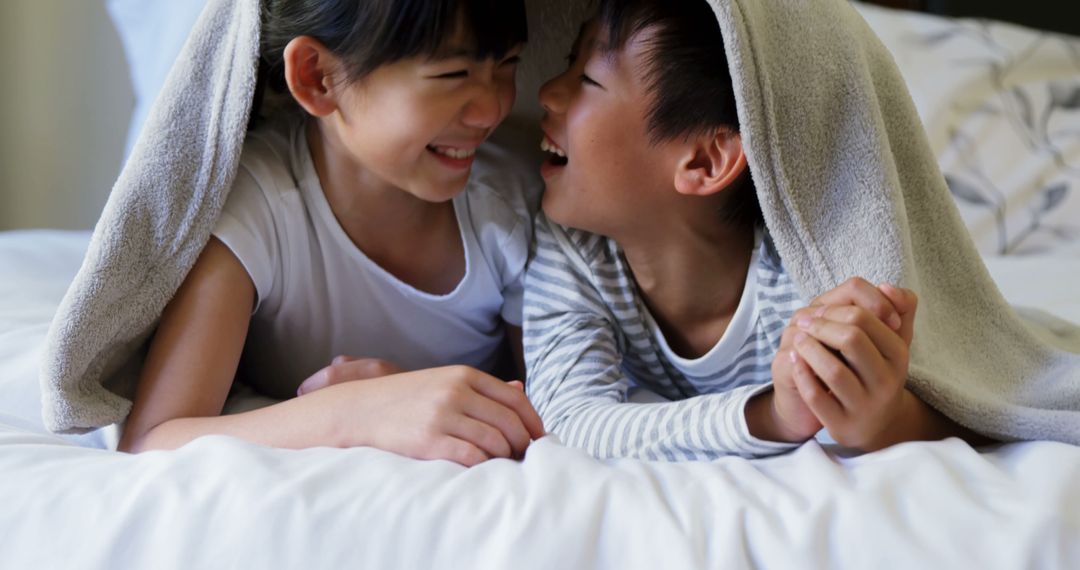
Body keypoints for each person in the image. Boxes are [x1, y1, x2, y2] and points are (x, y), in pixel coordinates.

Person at [524, 0, 988, 461]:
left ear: (706, 160)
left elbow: (970, 409)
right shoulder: (572, 245)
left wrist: (882, 416)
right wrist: (774, 416)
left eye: (587, 79)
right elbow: (569, 421)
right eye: (571, 62)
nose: (547, 92)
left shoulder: (808, 282)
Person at [118, 0, 545, 466]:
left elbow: (562, 413)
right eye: (452, 75)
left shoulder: (512, 206)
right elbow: (153, 439)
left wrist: (404, 393)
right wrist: (358, 413)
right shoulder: (258, 206)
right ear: (317, 77)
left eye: (507, 64)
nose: (490, 110)